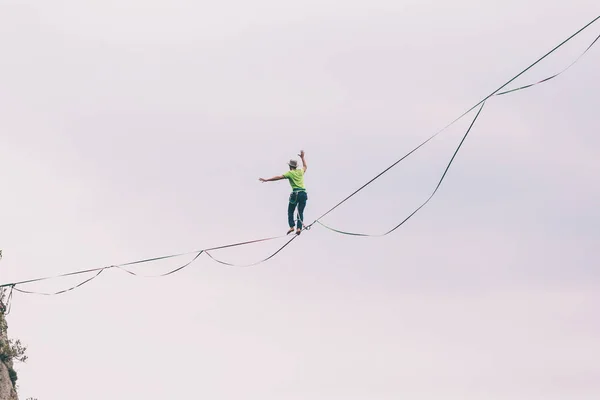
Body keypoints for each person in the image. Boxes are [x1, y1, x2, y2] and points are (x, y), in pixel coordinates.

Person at [259, 150, 308, 235]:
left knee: (290, 211)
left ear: (290, 166)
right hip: (303, 194)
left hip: (295, 193)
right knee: (300, 212)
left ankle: (292, 226)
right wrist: (303, 158)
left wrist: (267, 180)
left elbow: (278, 177)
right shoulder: (300, 171)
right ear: (296, 166)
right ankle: (299, 228)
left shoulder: (290, 173)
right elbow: (305, 166)